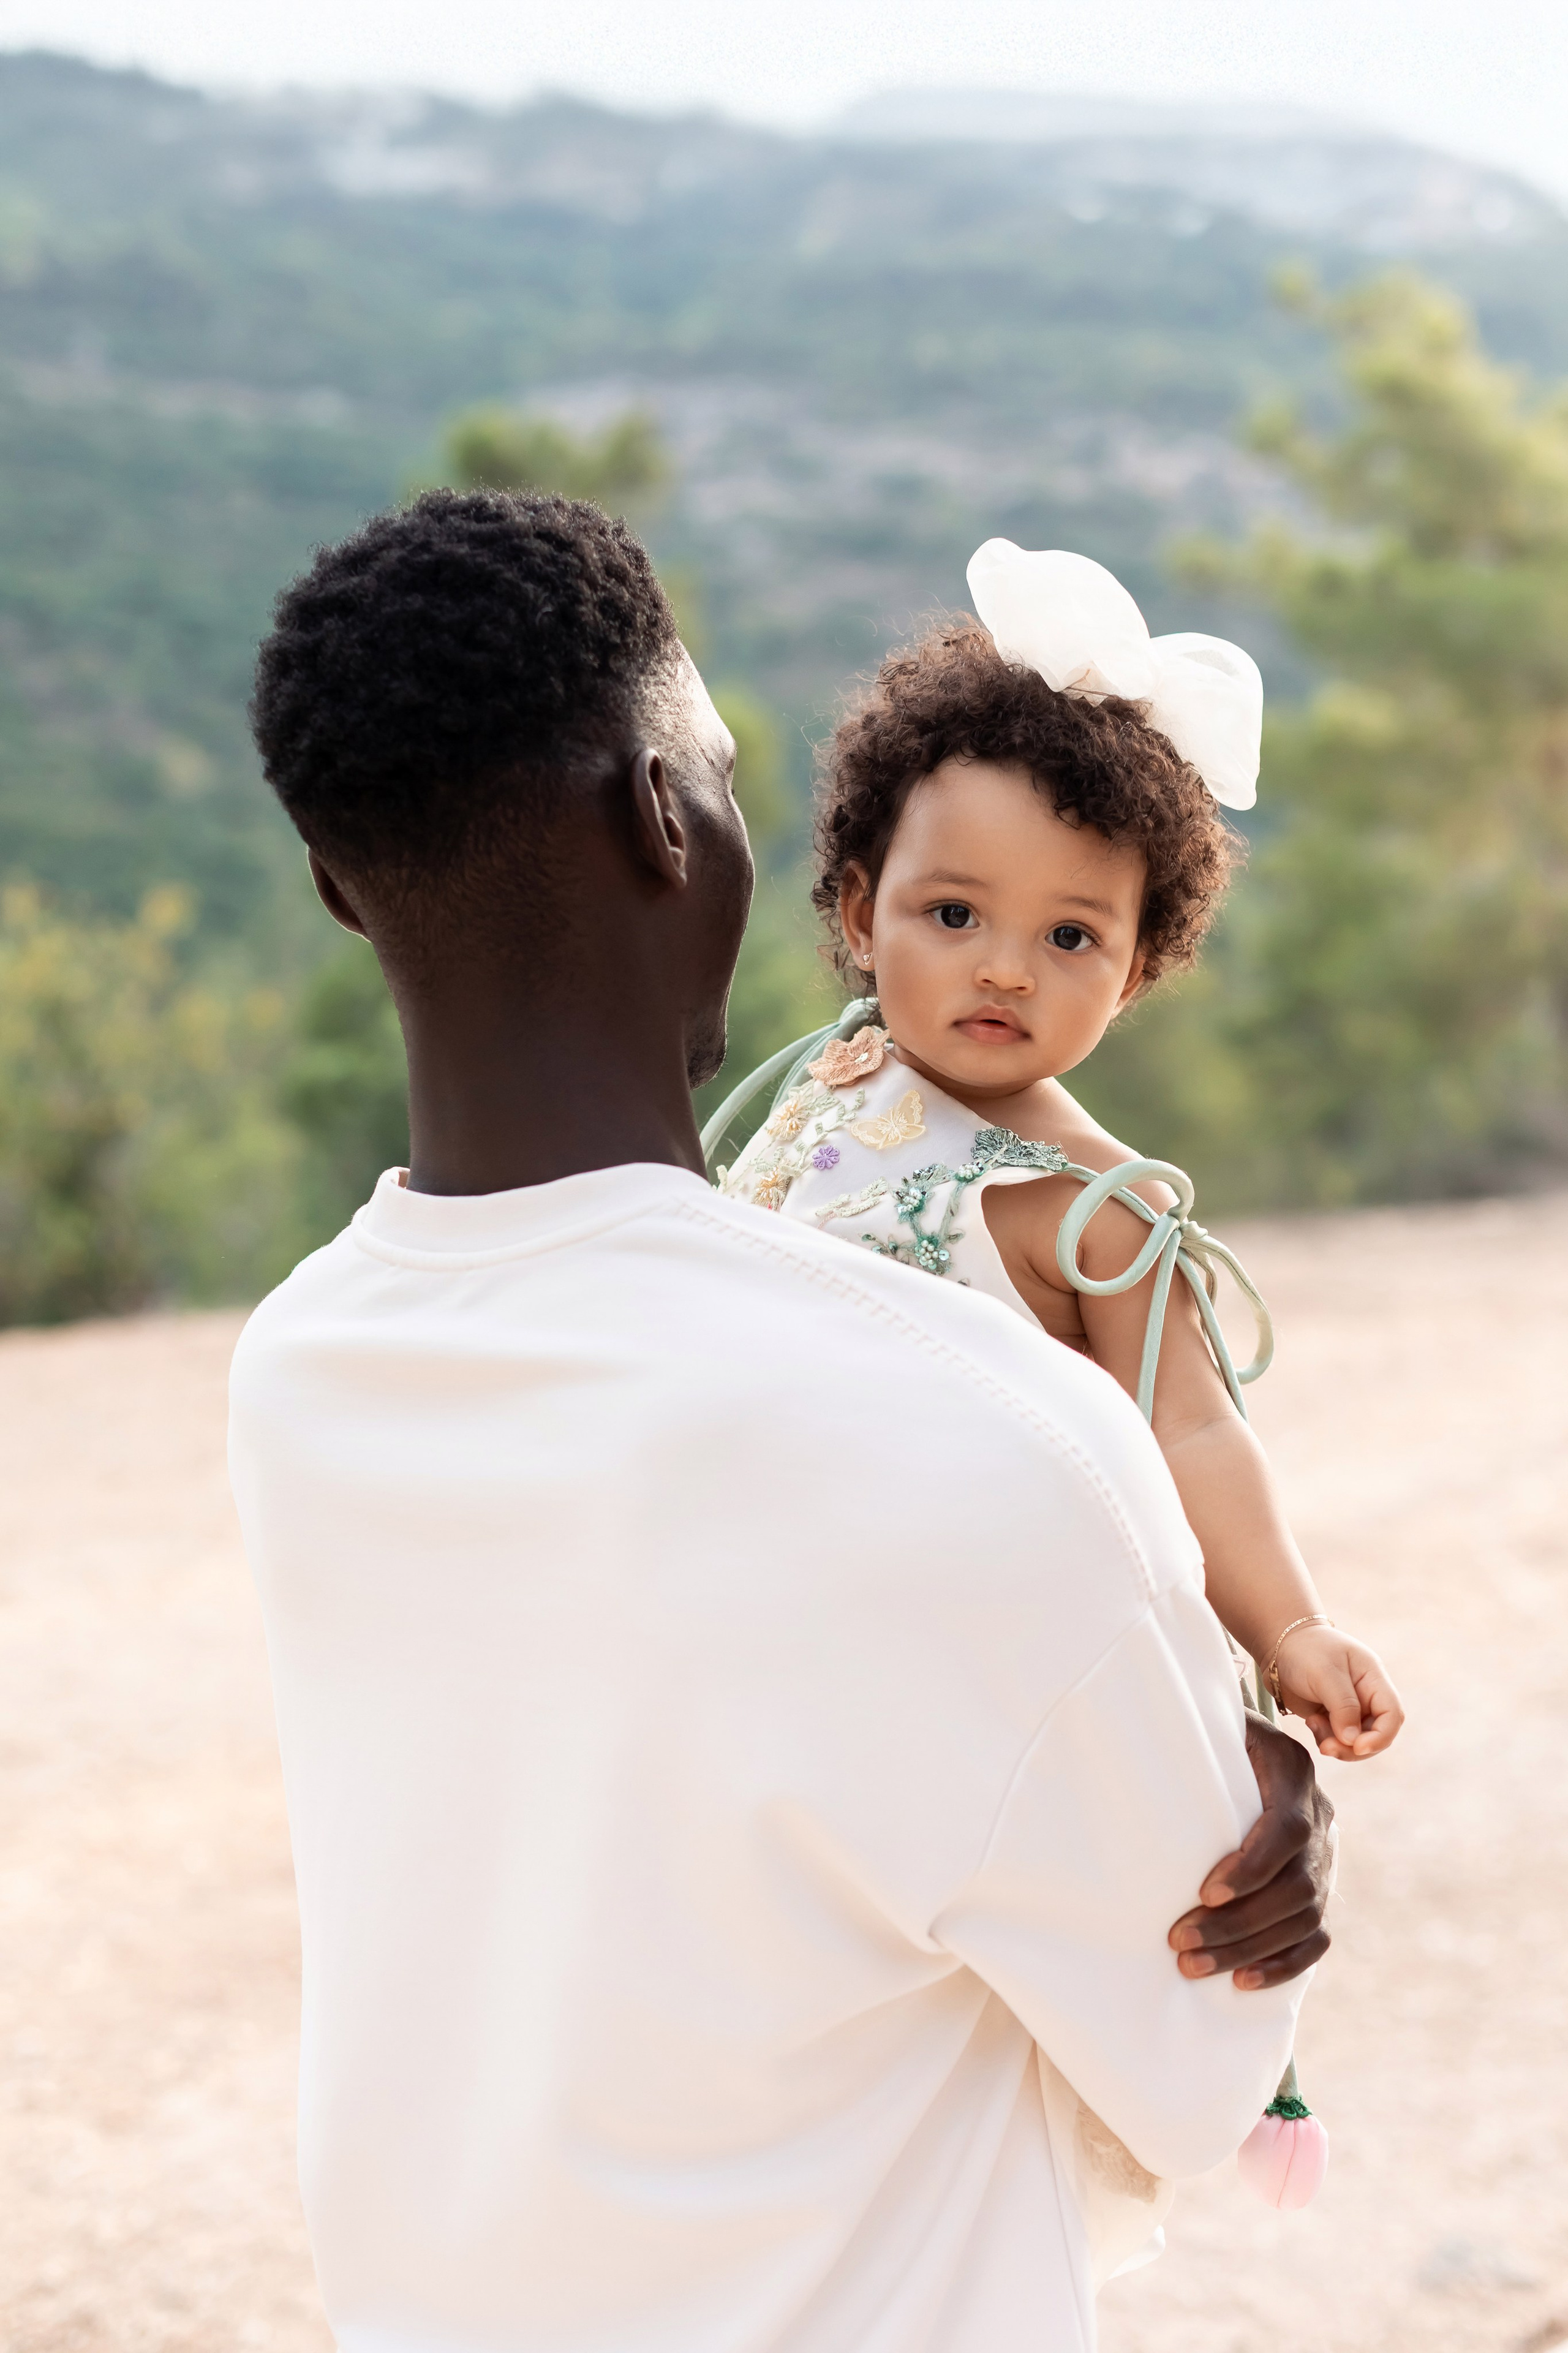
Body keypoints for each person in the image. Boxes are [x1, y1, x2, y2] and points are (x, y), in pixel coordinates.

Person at [232, 491, 1335, 2353]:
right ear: (671, 824)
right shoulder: (997, 1432)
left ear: (344, 887)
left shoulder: (302, 1368)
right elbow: (1201, 2052)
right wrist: (1254, 1770)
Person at [718, 541, 1403, 1764]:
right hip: (738, 1598)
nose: (1002, 966)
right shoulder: (837, 1070)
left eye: (1070, 935)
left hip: (934, 1667)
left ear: (1136, 971)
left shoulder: (1094, 1208)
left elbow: (1192, 1432)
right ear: (856, 913)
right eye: (951, 913)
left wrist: (1288, 1625)